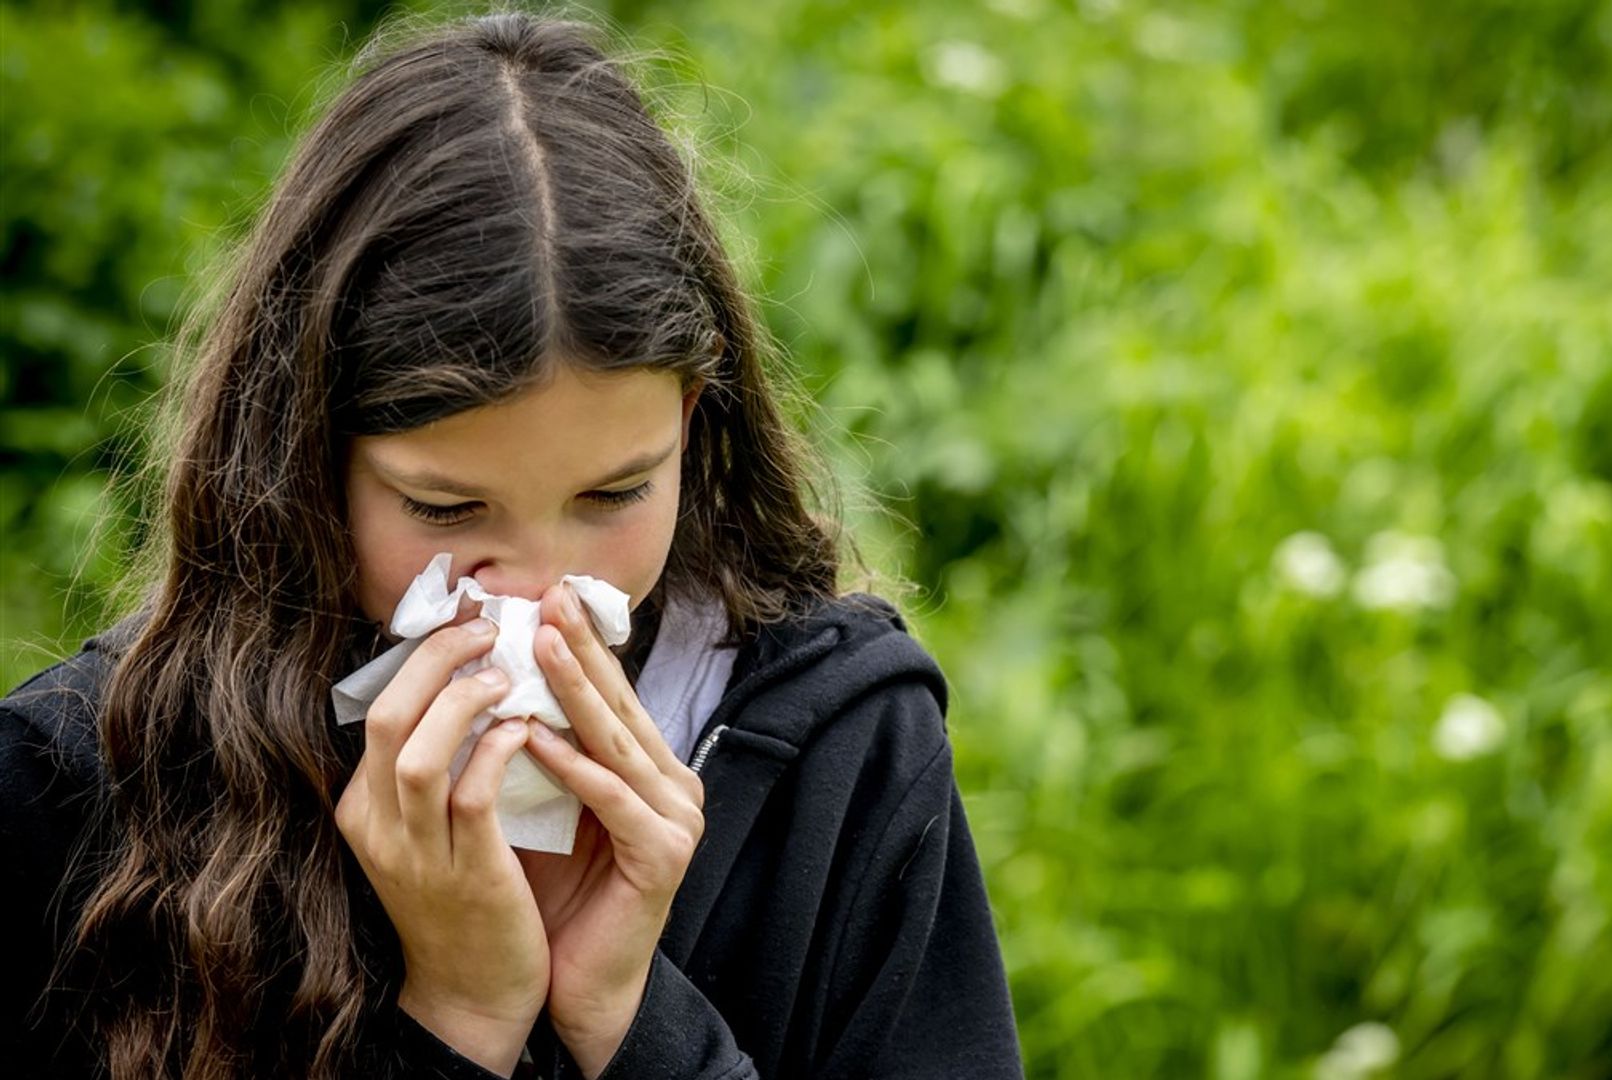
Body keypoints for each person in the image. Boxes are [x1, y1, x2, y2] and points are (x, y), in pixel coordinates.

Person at [0, 11, 1023, 1080]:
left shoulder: (849, 751)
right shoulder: (75, 793)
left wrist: (632, 1021)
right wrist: (458, 1015)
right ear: (306, 461)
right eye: (445, 510)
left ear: (690, 419)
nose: (541, 588)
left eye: (615, 492)